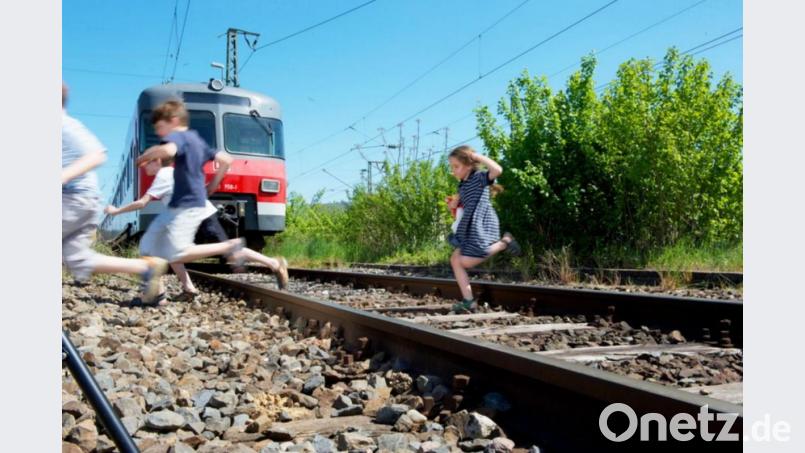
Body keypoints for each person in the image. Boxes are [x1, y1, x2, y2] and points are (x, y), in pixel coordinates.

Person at [105, 157, 289, 302]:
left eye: (146, 164)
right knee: (171, 253)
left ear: (157, 161)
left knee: (230, 251)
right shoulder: (174, 172)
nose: (143, 168)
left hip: (200, 218)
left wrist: (116, 211)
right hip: (193, 217)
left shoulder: (162, 176)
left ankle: (274, 264)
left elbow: (142, 203)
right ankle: (189, 289)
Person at [61, 82, 168, 303]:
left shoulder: (63, 124)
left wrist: (62, 177)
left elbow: (97, 154)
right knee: (77, 259)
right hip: (81, 198)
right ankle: (145, 268)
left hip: (74, 197)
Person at [133, 99, 247, 305]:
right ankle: (156, 292)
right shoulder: (197, 140)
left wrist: (145, 155)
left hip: (186, 202)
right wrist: (213, 184)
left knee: (177, 252)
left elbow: (167, 151)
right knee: (150, 244)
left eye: (160, 127)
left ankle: (230, 245)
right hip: (186, 201)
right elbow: (227, 160)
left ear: (174, 121)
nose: (160, 133)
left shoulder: (179, 136)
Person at [446, 145, 521, 313]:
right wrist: (454, 203)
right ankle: (469, 301)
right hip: (468, 227)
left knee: (467, 261)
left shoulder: (479, 177)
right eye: (452, 167)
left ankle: (504, 242)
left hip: (482, 224)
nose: (453, 170)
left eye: (456, 166)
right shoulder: (462, 185)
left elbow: (497, 169)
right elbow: (461, 200)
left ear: (469, 164)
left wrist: (476, 156)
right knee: (455, 260)